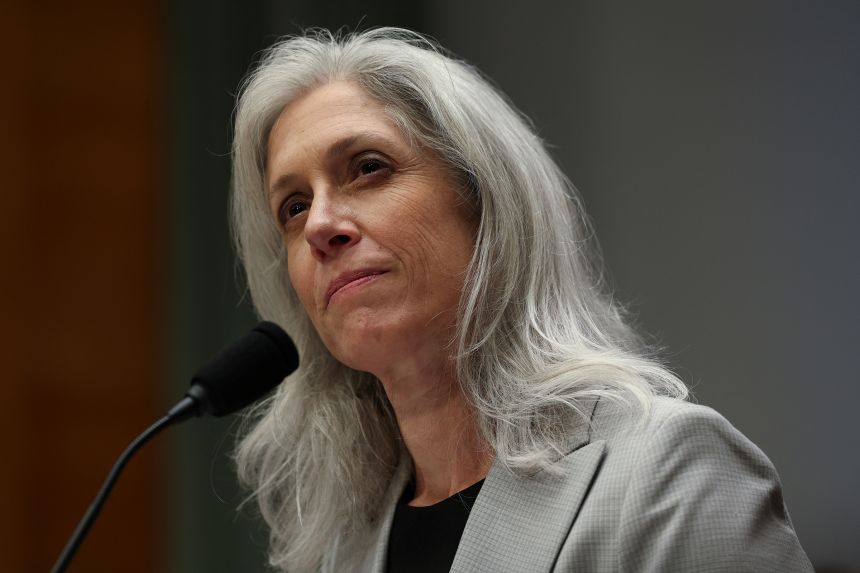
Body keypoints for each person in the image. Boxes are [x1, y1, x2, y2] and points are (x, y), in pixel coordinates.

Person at [230, 28, 812, 572]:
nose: (320, 226)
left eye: (368, 168)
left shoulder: (670, 473)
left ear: (484, 202)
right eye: (294, 206)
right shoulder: (342, 548)